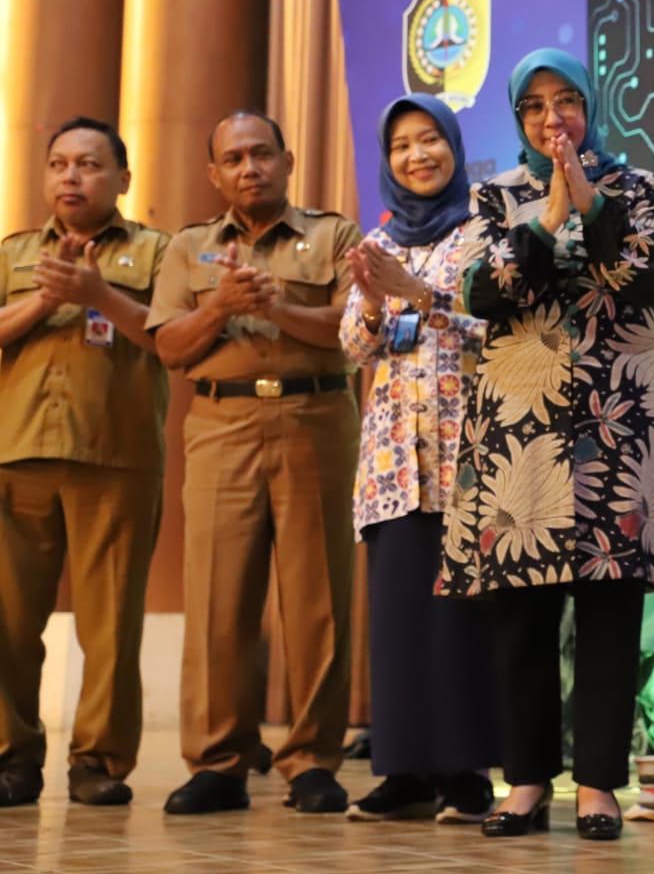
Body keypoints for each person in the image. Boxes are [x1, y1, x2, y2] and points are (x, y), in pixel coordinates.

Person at [438, 47, 654, 842]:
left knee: (607, 610)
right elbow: (487, 291)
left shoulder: (634, 187)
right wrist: (548, 217)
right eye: (534, 107)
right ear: (518, 118)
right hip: (520, 424)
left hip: (617, 420)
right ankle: (525, 783)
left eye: (566, 102)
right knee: (521, 615)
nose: (551, 118)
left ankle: (598, 787)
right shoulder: (493, 197)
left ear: (591, 109)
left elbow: (650, 278)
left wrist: (586, 200)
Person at [147, 110, 362, 815]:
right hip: (221, 423)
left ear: (288, 160)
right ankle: (219, 762)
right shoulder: (189, 249)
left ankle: (312, 762)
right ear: (215, 174)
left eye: (262, 154)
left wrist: (275, 311)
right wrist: (221, 310)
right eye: (233, 158)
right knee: (218, 598)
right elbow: (170, 348)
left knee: (318, 599)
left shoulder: (333, 236)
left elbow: (352, 328)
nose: (249, 168)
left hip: (316, 417)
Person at [338, 94, 497, 823]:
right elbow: (355, 347)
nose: (417, 155)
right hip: (393, 463)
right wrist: (372, 303)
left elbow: (498, 331)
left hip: (468, 452)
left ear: (454, 147)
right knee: (399, 618)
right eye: (402, 145)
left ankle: (465, 773)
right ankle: (403, 770)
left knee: (463, 621)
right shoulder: (382, 240)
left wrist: (422, 295)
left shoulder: (486, 230)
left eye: (430, 139)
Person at [0, 117, 169, 807]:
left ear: (123, 179)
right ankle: (12, 757)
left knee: (112, 625)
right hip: (16, 453)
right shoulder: (13, 252)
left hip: (117, 456)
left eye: (89, 164)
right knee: (8, 621)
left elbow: (171, 338)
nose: (71, 176)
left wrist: (98, 293)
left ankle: (98, 762)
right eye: (59, 164)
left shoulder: (160, 252)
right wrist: (47, 297)